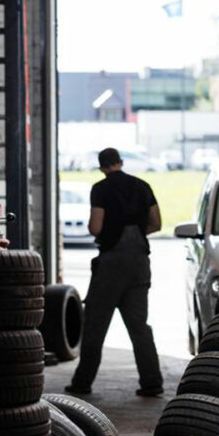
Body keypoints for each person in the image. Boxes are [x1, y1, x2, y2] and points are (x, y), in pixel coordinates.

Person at [65, 147, 164, 397]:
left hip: (111, 264)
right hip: (140, 262)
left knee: (96, 325)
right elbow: (156, 223)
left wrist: (106, 231)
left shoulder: (101, 189)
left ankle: (83, 382)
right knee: (139, 326)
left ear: (102, 167)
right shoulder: (142, 185)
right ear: (120, 162)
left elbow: (95, 226)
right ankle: (152, 382)